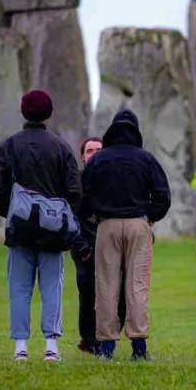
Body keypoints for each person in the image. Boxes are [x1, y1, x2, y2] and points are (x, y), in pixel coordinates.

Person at [0, 89, 81, 362]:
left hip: (20, 228)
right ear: (49, 113)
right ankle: (51, 346)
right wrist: (63, 214)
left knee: (18, 287)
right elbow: (75, 190)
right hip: (53, 228)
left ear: (23, 111)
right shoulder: (61, 147)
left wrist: (13, 212)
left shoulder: (9, 146)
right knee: (52, 285)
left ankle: (20, 347)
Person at [81, 109, 171, 360]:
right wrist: (150, 216)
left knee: (106, 285)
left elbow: (83, 195)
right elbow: (163, 195)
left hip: (107, 225)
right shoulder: (146, 158)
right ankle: (139, 348)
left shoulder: (99, 159)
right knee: (137, 286)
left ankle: (107, 347)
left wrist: (93, 216)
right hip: (138, 224)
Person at [71, 136, 126, 354]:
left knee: (120, 292)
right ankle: (89, 339)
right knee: (87, 292)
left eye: (98, 150)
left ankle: (111, 331)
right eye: (89, 151)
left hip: (112, 243)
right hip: (85, 243)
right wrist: (80, 246)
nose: (94, 154)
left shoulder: (116, 180)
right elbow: (70, 216)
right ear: (83, 157)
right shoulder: (76, 182)